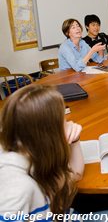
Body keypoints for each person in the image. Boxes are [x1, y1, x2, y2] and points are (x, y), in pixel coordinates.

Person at [0, 84, 84, 217]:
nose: (67, 122)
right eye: (63, 117)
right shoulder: (17, 188)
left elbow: (75, 175)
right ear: (47, 131)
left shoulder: (33, 151)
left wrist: (75, 141)